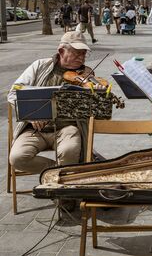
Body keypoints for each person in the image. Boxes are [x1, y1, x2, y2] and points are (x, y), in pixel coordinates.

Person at [7, 31, 95, 175]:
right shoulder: (39, 65)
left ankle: (63, 191)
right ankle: (59, 172)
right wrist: (31, 116)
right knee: (18, 158)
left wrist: (97, 92)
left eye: (84, 53)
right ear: (61, 51)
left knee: (69, 151)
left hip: (67, 129)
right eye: (77, 53)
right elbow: (13, 93)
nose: (82, 58)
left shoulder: (86, 74)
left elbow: (93, 108)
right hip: (35, 129)